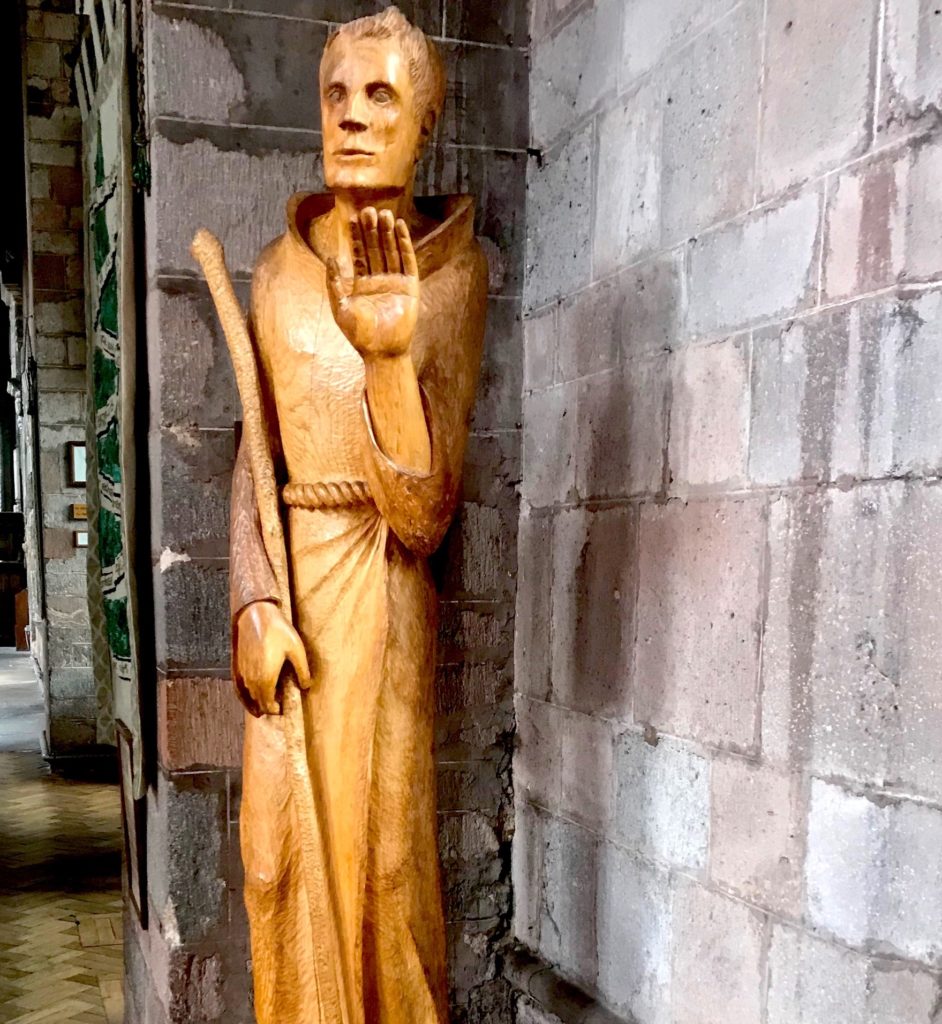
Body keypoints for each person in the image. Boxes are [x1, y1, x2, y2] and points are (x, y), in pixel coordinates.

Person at [228, 8, 488, 1023]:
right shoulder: (274, 274)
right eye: (337, 95)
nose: (353, 116)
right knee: (279, 867)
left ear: (424, 122)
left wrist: (388, 360)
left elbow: (426, 521)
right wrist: (252, 602)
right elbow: (254, 456)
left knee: (386, 877)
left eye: (382, 95)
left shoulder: (455, 277)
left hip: (382, 602)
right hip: (294, 602)